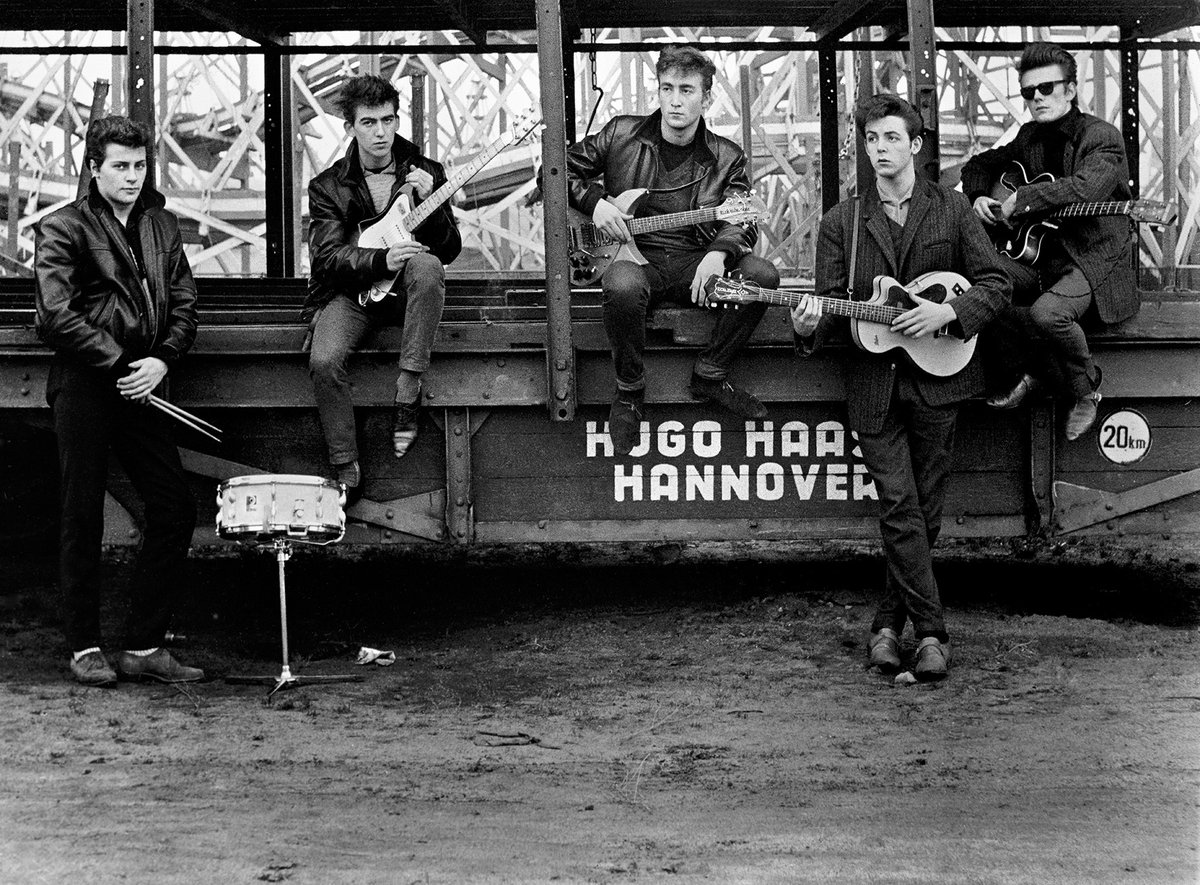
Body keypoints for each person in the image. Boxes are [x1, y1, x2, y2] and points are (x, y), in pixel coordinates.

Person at [792, 95, 1010, 680]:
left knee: (924, 511)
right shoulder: (843, 221)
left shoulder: (954, 209)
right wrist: (807, 324)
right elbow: (830, 303)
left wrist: (949, 315)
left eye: (891, 137)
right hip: (873, 384)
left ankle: (888, 627)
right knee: (898, 504)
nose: (879, 148)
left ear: (915, 146)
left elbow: (997, 283)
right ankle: (933, 634)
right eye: (871, 139)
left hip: (942, 375)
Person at [34, 116, 203, 687]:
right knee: (80, 512)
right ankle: (84, 647)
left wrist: (163, 360)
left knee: (175, 505)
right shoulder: (62, 227)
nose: (133, 177)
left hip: (143, 383)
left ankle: (143, 646)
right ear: (94, 168)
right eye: (121, 167)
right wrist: (119, 362)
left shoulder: (162, 224)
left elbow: (184, 302)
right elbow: (55, 315)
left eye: (140, 166)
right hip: (87, 382)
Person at [566, 45, 780, 456]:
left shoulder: (727, 157)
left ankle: (711, 373)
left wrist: (719, 252)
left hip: (693, 265)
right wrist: (597, 204)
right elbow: (556, 171)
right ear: (658, 92)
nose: (676, 100)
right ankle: (629, 389)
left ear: (707, 98)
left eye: (687, 89)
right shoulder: (620, 135)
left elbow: (742, 218)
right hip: (632, 259)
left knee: (762, 277)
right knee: (622, 286)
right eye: (667, 88)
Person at [961, 42, 1136, 441]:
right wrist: (978, 198)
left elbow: (1088, 188)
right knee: (978, 284)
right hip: (1037, 255)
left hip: (1090, 257)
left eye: (1047, 89)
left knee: (1046, 315)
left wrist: (1021, 200)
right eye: (1028, 92)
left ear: (1071, 90)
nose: (1037, 99)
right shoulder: (1029, 136)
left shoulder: (1101, 137)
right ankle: (1032, 371)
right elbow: (979, 164)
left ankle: (1086, 390)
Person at [305, 74, 462, 496]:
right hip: (355, 294)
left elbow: (449, 250)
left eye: (389, 121)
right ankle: (344, 463)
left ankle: (408, 387)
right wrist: (379, 259)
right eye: (369, 122)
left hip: (407, 292)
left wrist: (434, 208)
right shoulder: (327, 186)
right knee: (324, 360)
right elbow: (325, 257)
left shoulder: (426, 171)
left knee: (428, 266)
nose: (381, 132)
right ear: (350, 128)